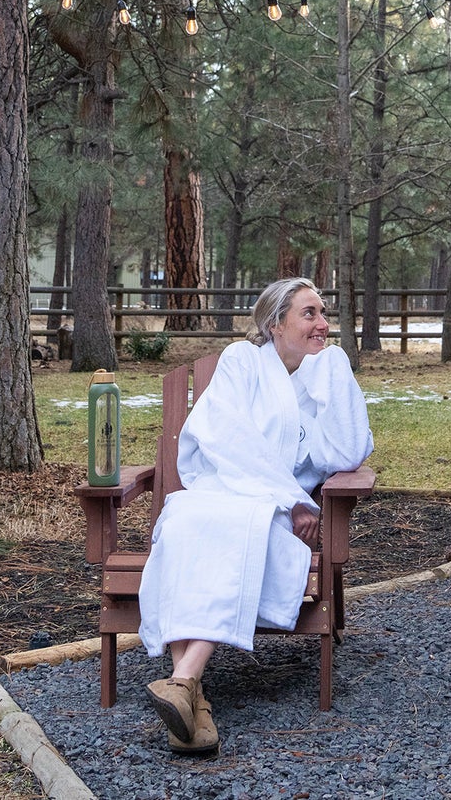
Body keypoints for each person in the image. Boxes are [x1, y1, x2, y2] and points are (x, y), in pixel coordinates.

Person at [137, 278, 372, 753]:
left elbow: (348, 451)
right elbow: (225, 435)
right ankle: (187, 691)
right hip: (225, 487)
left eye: (324, 313)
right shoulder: (242, 362)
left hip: (267, 510)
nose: (323, 324)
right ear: (274, 323)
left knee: (241, 531)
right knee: (186, 524)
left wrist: (337, 369)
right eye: (309, 314)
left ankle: (183, 684)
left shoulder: (321, 376)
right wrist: (291, 497)